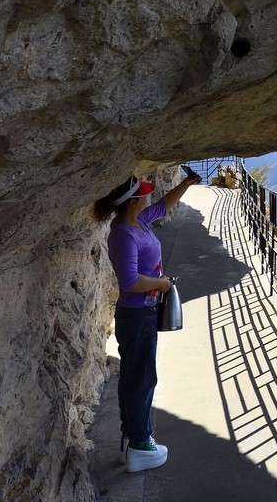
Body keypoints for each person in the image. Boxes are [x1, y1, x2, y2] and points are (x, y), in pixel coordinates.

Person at [93, 168, 200, 472]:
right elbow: (128, 281)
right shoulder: (125, 235)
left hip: (141, 313)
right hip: (138, 314)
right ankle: (140, 444)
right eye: (143, 193)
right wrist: (162, 283)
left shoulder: (137, 220)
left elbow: (164, 205)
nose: (149, 195)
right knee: (141, 378)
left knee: (134, 376)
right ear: (132, 202)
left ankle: (132, 437)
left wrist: (187, 184)